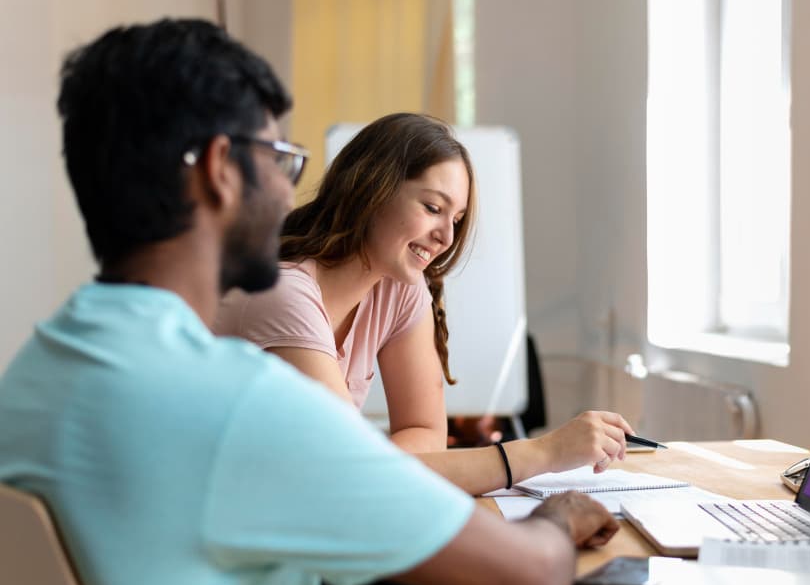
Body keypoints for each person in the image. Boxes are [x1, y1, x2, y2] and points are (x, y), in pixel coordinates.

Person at [0, 19, 620, 585]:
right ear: (222, 169)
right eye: (279, 159)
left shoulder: (34, 373)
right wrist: (559, 513)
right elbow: (530, 580)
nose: (289, 190)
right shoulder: (245, 402)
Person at [214, 112, 635, 498]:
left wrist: (376, 470)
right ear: (369, 188)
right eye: (433, 207)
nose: (447, 238)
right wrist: (543, 454)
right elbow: (354, 471)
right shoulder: (283, 292)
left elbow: (421, 432)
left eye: (455, 219)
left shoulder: (398, 288)